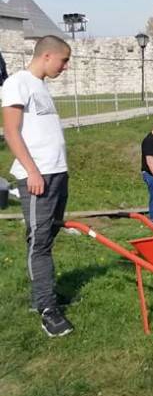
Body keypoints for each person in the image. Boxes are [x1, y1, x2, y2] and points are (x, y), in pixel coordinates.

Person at [2, 35, 73, 337]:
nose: (65, 67)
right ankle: (47, 310)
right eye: (64, 60)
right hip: (38, 176)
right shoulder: (17, 83)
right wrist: (32, 172)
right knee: (39, 243)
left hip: (57, 174)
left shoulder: (40, 86)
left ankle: (43, 294)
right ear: (47, 56)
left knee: (46, 237)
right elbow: (10, 131)